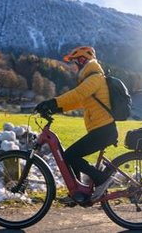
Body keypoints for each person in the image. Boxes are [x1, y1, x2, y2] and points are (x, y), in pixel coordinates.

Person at [35, 46, 118, 202]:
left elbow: (77, 94)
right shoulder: (91, 79)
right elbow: (78, 102)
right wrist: (56, 108)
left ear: (82, 60)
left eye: (74, 63)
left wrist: (52, 102)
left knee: (70, 155)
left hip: (103, 131)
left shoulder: (95, 78)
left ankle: (101, 179)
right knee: (71, 155)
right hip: (100, 130)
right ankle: (78, 193)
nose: (72, 67)